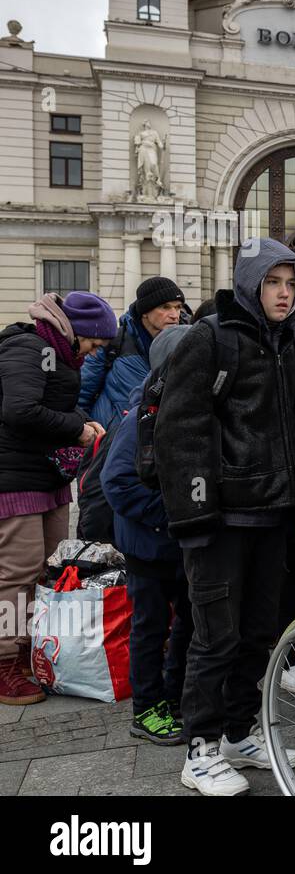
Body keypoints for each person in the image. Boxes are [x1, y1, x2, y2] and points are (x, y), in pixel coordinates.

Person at [155, 239, 295, 796]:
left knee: (258, 633)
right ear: (252, 282)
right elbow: (180, 432)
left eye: (292, 283)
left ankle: (236, 732)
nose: (284, 293)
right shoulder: (211, 338)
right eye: (274, 281)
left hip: (271, 515)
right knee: (214, 638)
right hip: (220, 520)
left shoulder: (291, 344)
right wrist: (197, 514)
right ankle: (199, 750)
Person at [0, 291, 116, 705]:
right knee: (17, 572)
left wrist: (82, 422)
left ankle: (31, 650)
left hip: (46, 476)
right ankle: (4, 663)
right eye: (93, 343)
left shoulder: (59, 352)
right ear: (77, 331)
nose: (93, 352)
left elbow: (47, 406)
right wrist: (77, 429)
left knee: (45, 566)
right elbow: (20, 410)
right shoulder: (28, 346)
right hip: (13, 477)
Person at [101, 324, 194, 744]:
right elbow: (116, 481)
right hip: (147, 542)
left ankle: (174, 695)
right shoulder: (142, 414)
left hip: (178, 541)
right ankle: (146, 708)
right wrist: (169, 516)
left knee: (189, 619)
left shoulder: (187, 407)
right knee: (150, 625)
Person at [79, 276, 185, 428]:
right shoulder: (114, 341)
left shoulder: (188, 342)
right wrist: (84, 432)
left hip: (161, 441)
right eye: (165, 307)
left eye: (178, 307)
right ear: (145, 312)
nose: (175, 315)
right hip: (110, 441)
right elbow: (82, 393)